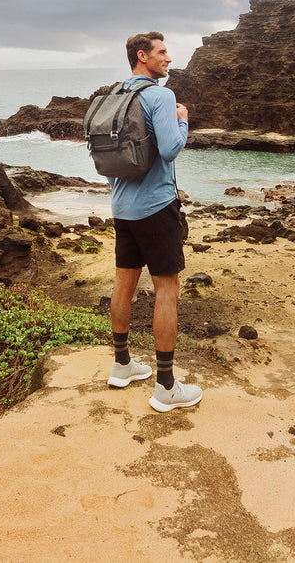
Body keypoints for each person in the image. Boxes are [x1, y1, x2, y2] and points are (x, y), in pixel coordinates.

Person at [105, 31, 201, 412]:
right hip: (156, 208)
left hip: (122, 208)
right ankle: (165, 386)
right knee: (167, 289)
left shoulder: (115, 95)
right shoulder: (160, 96)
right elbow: (170, 149)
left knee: (123, 283)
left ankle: (122, 365)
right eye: (162, 52)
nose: (169, 58)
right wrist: (183, 121)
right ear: (142, 56)